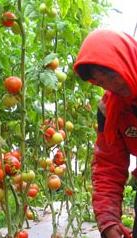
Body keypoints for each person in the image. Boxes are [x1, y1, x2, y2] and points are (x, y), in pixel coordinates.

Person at [73, 29, 137, 238]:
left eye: (111, 75)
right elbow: (109, 164)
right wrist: (108, 220)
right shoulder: (110, 110)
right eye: (101, 83)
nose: (112, 86)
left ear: (126, 59)